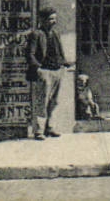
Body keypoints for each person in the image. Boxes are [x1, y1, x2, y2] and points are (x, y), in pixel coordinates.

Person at [24, 8, 70, 140]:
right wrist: (38, 68)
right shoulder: (36, 34)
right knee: (42, 101)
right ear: (42, 20)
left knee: (54, 101)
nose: (53, 22)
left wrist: (64, 64)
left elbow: (60, 52)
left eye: (54, 18)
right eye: (50, 19)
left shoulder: (56, 34)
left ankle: (50, 127)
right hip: (44, 72)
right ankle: (39, 131)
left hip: (57, 71)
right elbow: (30, 54)